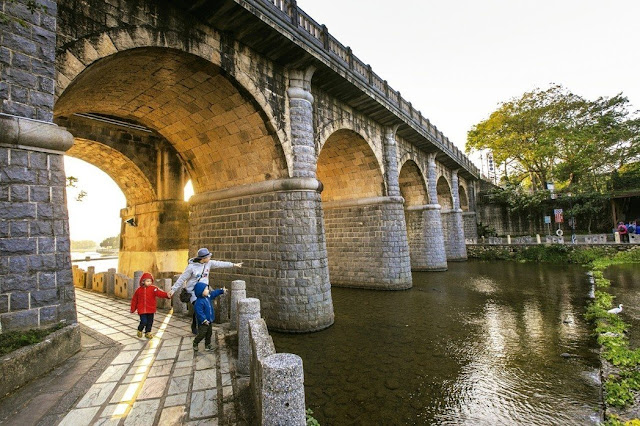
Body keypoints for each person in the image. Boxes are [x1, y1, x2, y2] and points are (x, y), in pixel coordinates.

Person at [169, 248, 242, 334]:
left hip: (204, 290)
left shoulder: (209, 263)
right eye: (208, 257)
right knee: (199, 307)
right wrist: (173, 289)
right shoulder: (191, 267)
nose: (210, 258)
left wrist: (234, 265)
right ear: (202, 258)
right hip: (193, 291)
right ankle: (198, 328)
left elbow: (220, 264)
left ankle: (200, 327)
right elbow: (182, 278)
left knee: (201, 308)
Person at [130, 272, 171, 339]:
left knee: (150, 322)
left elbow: (160, 293)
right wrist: (133, 309)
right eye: (147, 281)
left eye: (150, 281)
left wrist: (167, 295)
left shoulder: (153, 289)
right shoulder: (138, 290)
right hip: (142, 310)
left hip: (151, 309)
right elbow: (134, 300)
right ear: (143, 281)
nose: (149, 282)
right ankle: (139, 330)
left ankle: (148, 332)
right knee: (144, 321)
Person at [192, 281, 226, 352]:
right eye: (206, 289)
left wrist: (221, 291)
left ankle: (207, 345)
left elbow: (214, 294)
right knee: (202, 334)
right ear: (200, 291)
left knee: (209, 333)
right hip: (203, 322)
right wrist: (204, 320)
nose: (208, 290)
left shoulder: (208, 297)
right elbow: (199, 313)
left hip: (209, 320)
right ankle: (195, 342)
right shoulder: (199, 302)